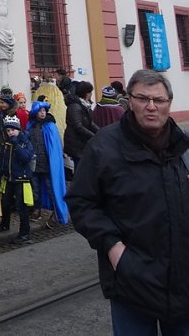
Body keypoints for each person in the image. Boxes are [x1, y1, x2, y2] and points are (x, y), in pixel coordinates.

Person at [67, 70, 189, 335]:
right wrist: (113, 248)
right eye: (143, 98)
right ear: (129, 101)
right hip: (132, 280)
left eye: (159, 99)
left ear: (170, 102)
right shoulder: (104, 146)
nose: (151, 106)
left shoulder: (183, 146)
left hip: (183, 280)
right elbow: (80, 202)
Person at [0, 114, 35, 245]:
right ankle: (4, 224)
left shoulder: (24, 141)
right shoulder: (6, 142)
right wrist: (0, 174)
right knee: (5, 203)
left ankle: (25, 233)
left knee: (21, 207)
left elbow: (27, 157)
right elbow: (3, 160)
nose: (10, 132)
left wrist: (17, 146)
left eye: (13, 130)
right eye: (8, 130)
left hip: (21, 179)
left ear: (18, 129)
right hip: (8, 178)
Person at [27, 100, 68, 228]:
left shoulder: (50, 125)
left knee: (52, 189)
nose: (42, 113)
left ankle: (57, 213)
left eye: (44, 111)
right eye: (40, 111)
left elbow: (54, 145)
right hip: (34, 164)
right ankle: (36, 209)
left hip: (48, 164)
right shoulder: (30, 126)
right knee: (35, 189)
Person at [64, 81, 98, 169]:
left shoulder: (83, 105)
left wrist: (100, 131)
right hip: (76, 143)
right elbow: (77, 126)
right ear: (87, 94)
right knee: (80, 168)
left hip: (81, 142)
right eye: (90, 92)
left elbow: (89, 122)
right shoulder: (76, 106)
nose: (91, 95)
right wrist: (93, 135)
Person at [0, 87, 17, 161]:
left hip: (11, 142)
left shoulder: (13, 114)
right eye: (0, 102)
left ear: (9, 102)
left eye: (3, 103)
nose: (1, 105)